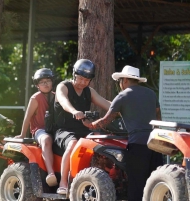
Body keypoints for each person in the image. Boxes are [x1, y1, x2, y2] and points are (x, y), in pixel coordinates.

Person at [83, 65, 163, 201]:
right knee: (155, 184)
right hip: (155, 143)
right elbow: (158, 117)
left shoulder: (123, 96)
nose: (119, 84)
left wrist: (90, 125)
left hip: (138, 144)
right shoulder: (151, 94)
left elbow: (106, 120)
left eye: (120, 81)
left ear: (125, 80)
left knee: (136, 185)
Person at [54, 59, 110, 194]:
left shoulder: (88, 91)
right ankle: (63, 182)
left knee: (102, 139)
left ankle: (104, 177)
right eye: (80, 78)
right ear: (74, 75)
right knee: (73, 143)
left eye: (87, 80)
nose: (83, 83)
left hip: (83, 129)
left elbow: (107, 104)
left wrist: (123, 107)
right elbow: (63, 101)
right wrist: (74, 111)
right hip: (64, 130)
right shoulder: (63, 86)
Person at [14, 68, 58, 187]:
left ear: (52, 82)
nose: (45, 84)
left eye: (48, 80)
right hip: (40, 130)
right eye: (42, 82)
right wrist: (22, 134)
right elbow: (27, 117)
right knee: (46, 139)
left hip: (55, 129)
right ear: (37, 85)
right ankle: (50, 173)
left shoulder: (57, 96)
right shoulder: (35, 98)